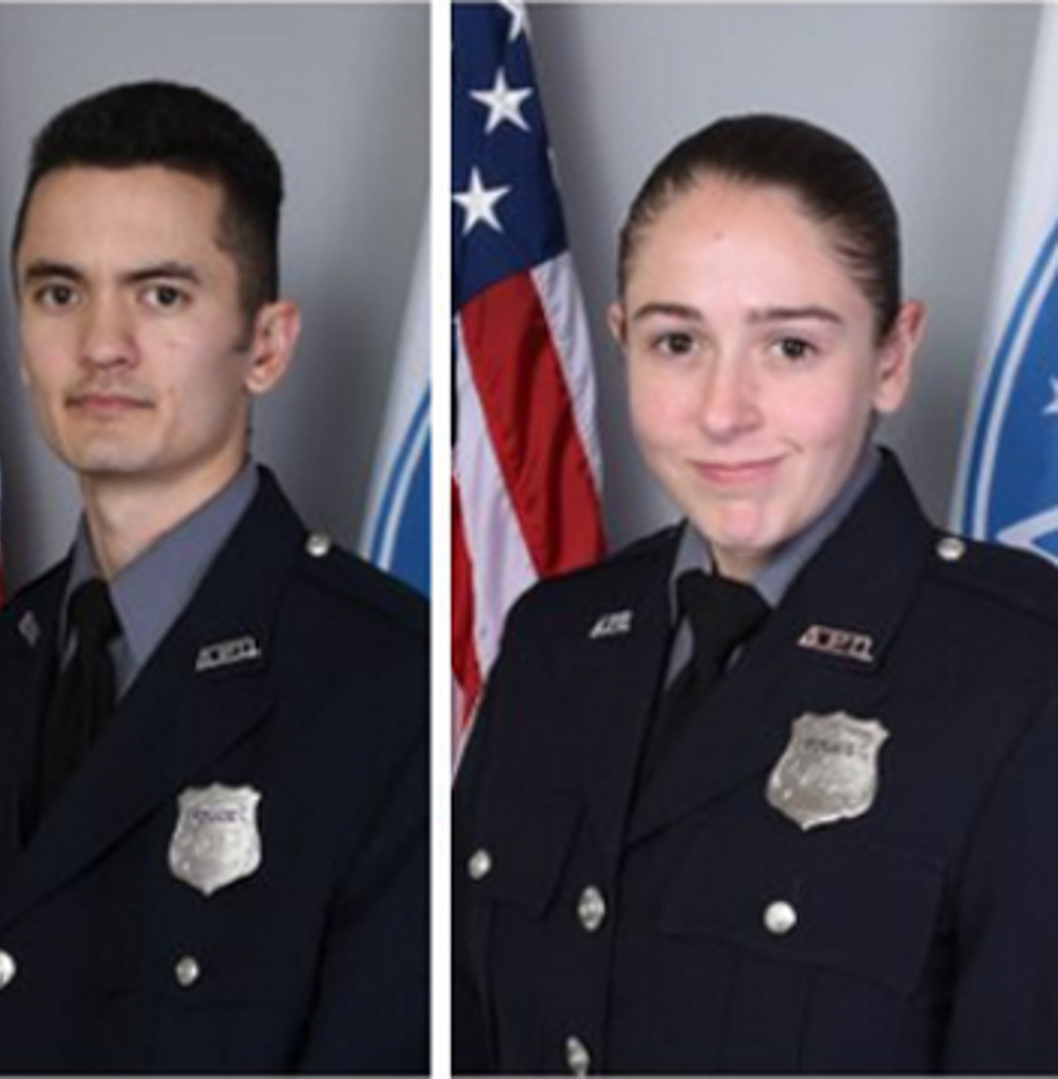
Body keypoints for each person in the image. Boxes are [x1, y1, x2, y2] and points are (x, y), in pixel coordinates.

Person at [0, 81, 429, 1073]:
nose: (102, 344)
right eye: (59, 292)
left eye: (162, 294)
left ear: (266, 345)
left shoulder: (385, 690)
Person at [453, 114, 1058, 1074]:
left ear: (892, 356)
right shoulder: (554, 638)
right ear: (621, 342)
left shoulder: (1024, 675)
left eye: (790, 348)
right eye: (677, 342)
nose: (723, 411)